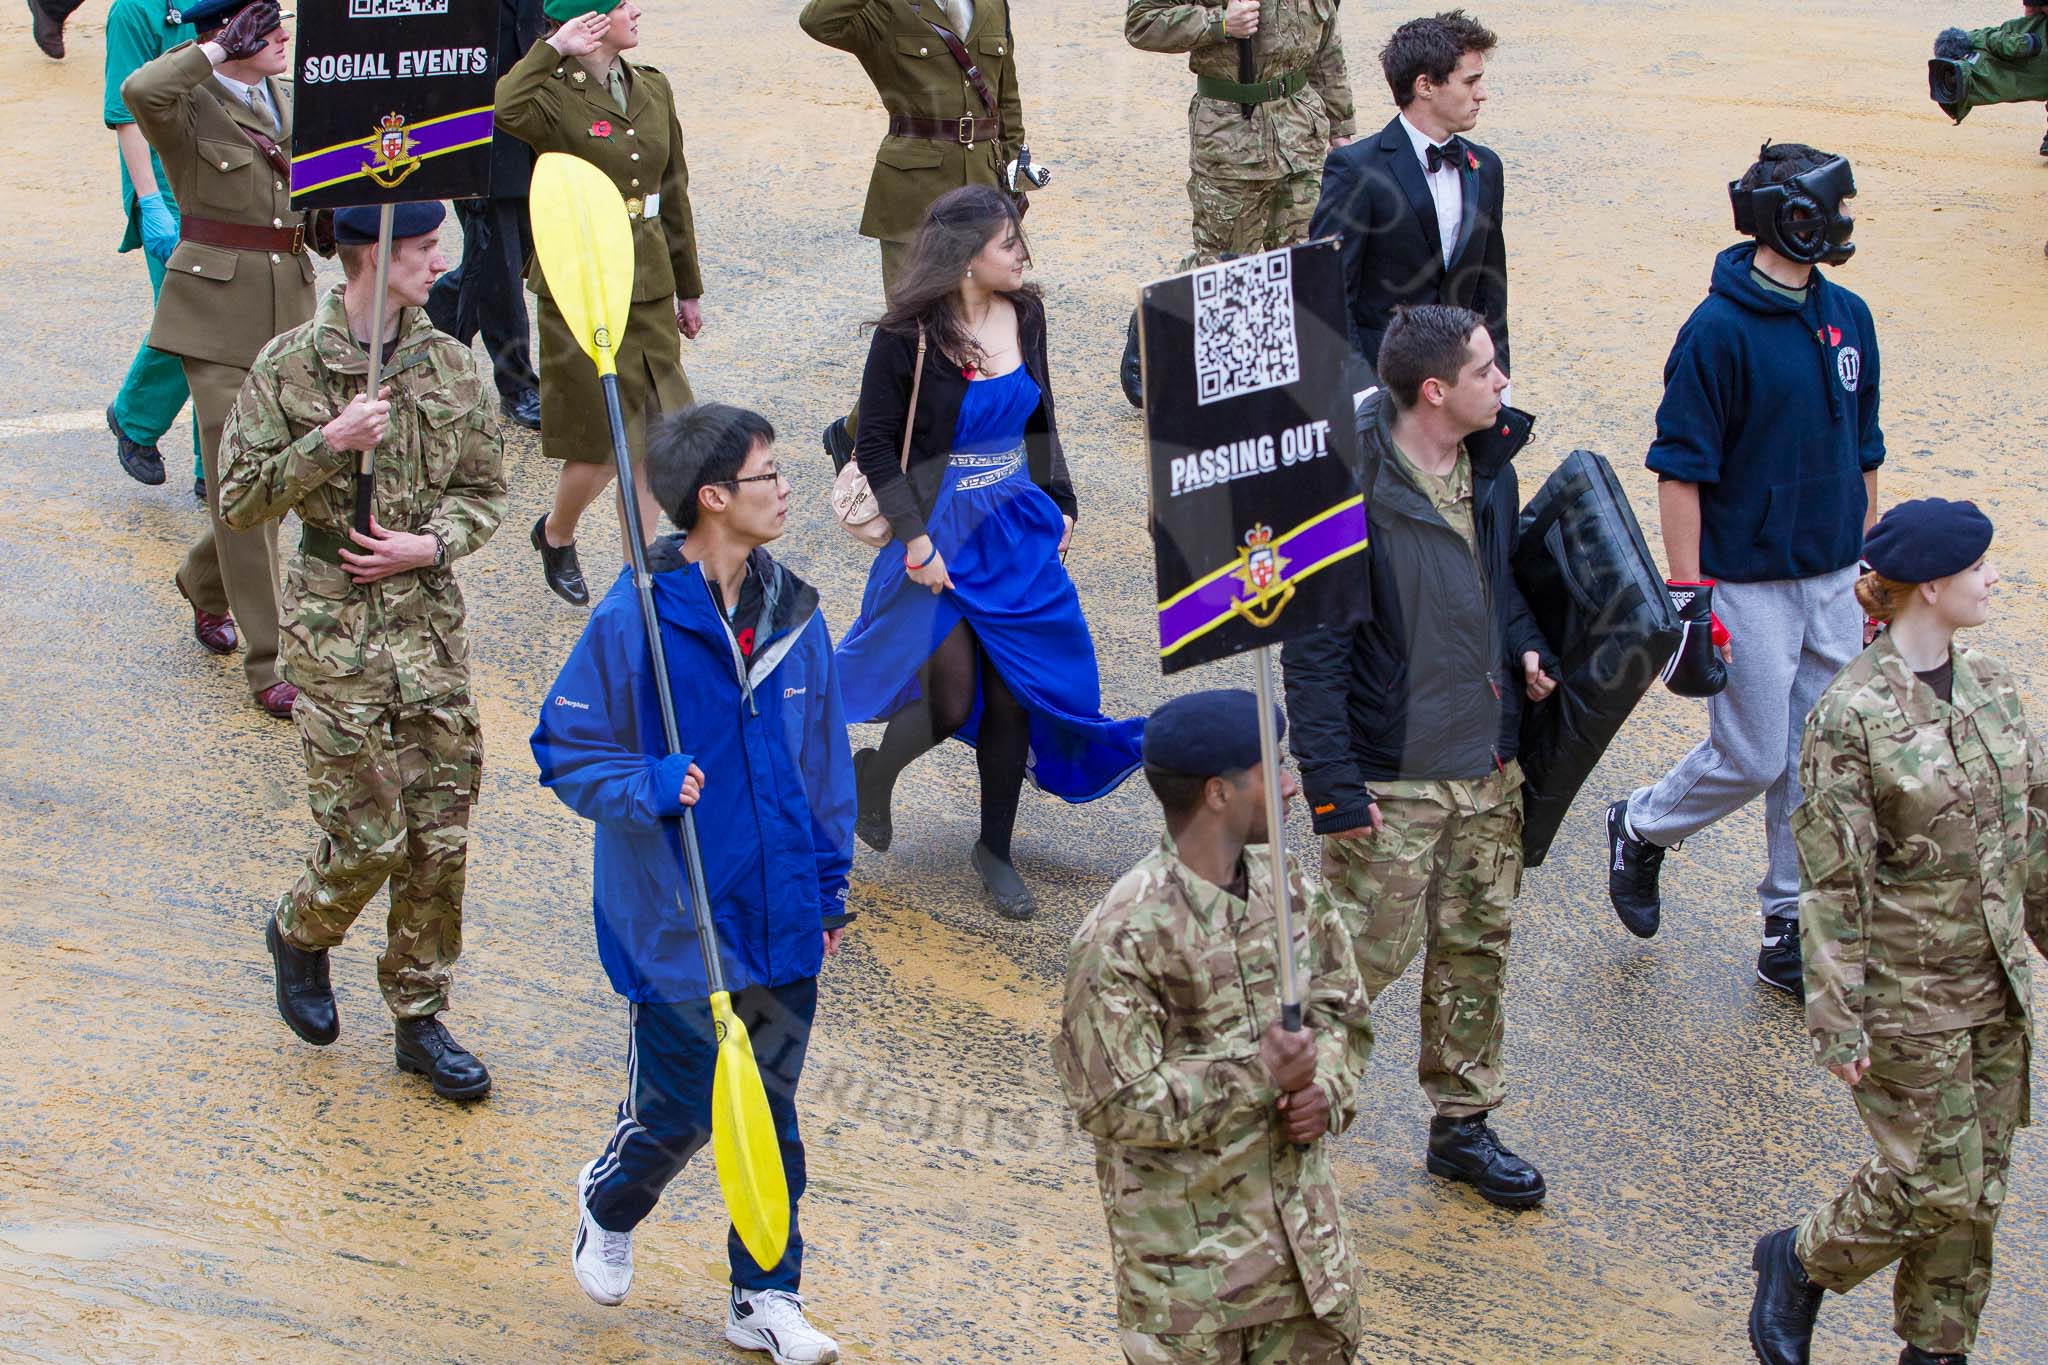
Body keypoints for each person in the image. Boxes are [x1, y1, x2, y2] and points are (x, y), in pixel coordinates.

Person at [532, 403, 852, 1365]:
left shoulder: (797, 611)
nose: (787, 487)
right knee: (677, 1110)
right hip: (675, 920)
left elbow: (824, 763)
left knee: (774, 1112)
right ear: (713, 498)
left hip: (781, 910)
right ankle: (609, 1200)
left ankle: (764, 1294)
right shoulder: (634, 614)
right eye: (768, 475)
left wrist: (828, 887)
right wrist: (651, 783)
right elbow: (564, 747)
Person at [217, 202, 507, 1100]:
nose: (438, 259)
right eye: (421, 247)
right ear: (369, 257)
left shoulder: (453, 364)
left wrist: (433, 543)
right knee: (369, 836)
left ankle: (420, 1018)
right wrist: (328, 442)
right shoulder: (289, 366)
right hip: (334, 637)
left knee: (438, 836)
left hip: (427, 630)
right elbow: (239, 500)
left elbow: (486, 490)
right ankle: (301, 931)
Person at [1747, 499, 2045, 1365]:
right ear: (1931, 586)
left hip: (1995, 985)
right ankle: (1799, 1260)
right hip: (1907, 996)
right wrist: (1833, 1013)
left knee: (1979, 1185)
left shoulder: (1991, 685)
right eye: (1980, 568)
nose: (1995, 579)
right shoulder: (1851, 716)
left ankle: (1936, 1350)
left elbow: (2037, 826)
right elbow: (1833, 880)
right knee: (1934, 1181)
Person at [1281, 303, 1556, 1208]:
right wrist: (1331, 789)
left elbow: (1496, 575)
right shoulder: (1344, 484)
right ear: (1436, 391)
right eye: (1487, 370)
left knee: (1476, 950)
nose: (1503, 382)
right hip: (1391, 778)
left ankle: (1463, 1128)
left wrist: (1522, 644)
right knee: (1352, 968)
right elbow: (1311, 653)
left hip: (1486, 764)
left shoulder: (1487, 464)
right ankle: (1290, 1136)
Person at [1605, 141, 1883, 996]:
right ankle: (1642, 824)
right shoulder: (1715, 333)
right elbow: (1681, 468)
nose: (1842, 224)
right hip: (1748, 582)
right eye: (1830, 210)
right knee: (1757, 754)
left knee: (1816, 756)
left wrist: (1872, 562)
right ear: (1787, 217)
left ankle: (1785, 926)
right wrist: (1688, 599)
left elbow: (1865, 448)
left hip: (1835, 575)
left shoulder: (1852, 317)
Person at [833, 186, 1144, 920]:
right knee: (950, 699)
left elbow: (1042, 411)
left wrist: (1061, 500)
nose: (1022, 256)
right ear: (967, 257)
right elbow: (876, 446)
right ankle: (874, 776)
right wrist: (915, 542)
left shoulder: (1025, 313)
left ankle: (994, 849)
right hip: (939, 531)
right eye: (1009, 244)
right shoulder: (908, 335)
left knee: (1013, 695)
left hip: (1015, 525)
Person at [1056, 689, 1373, 1365]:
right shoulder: (1123, 935)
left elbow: (1342, 1012)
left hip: (1306, 1269)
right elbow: (1114, 1102)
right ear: (1218, 794)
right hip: (1195, 1290)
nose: (1292, 785)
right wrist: (1260, 1075)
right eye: (1274, 767)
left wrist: (1328, 1091)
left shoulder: (1290, 888)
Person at [123, 0, 315, 718]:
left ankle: (205, 580)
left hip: (291, 312)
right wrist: (209, 52)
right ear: (226, 31)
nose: (281, 36)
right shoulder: (189, 100)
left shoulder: (286, 96)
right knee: (245, 478)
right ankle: (269, 664)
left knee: (281, 485)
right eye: (263, 26)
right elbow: (139, 93)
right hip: (214, 320)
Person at [495, 0, 705, 606]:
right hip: (582, 279)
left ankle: (634, 579)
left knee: (651, 438)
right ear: (586, 21)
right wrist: (552, 48)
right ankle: (557, 534)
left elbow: (674, 190)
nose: (635, 12)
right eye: (618, 5)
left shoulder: (652, 88)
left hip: (648, 277)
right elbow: (506, 109)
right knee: (601, 442)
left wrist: (687, 286)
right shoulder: (552, 93)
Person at [798, 0, 1034, 462]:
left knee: (979, 326)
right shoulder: (884, 9)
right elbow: (817, 20)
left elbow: (1005, 97)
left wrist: (1011, 177)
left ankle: (857, 432)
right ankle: (890, 458)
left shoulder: (990, 4)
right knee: (919, 335)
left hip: (981, 187)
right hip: (914, 192)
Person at [1118, 0, 1354, 404]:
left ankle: (1277, 385)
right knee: (1224, 263)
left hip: (1300, 132)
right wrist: (1219, 24)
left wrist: (1341, 126)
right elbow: (1142, 23)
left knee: (1302, 261)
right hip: (1229, 136)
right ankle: (1150, 332)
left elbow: (1327, 42)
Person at [1309, 10, 1509, 382]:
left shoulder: (1486, 167)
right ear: (1425, 86)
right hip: (1382, 383)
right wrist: (1359, 391)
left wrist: (1497, 374)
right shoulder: (1355, 170)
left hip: (1460, 384)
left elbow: (1489, 287)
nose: (1482, 93)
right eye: (1471, 81)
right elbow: (1330, 294)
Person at [426, 0, 546, 432]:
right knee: (500, 269)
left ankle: (422, 318)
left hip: (535, 127)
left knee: (507, 263)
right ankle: (517, 387)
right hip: (474, 134)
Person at [104, 0, 202, 494]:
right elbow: (127, 116)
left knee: (221, 317)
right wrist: (149, 200)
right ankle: (139, 418)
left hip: (220, 172)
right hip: (165, 185)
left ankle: (141, 420)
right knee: (195, 312)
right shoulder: (132, 12)